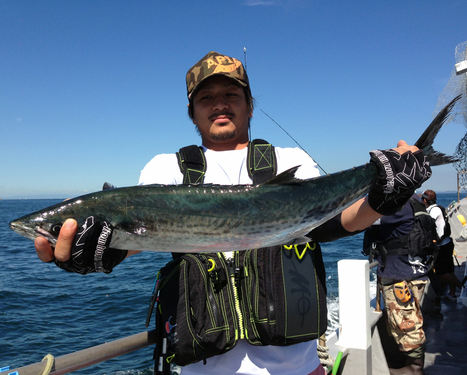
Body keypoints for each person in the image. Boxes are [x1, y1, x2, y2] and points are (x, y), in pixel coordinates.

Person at [34, 51, 431, 375]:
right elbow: (142, 240)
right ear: (192, 113)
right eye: (206, 98)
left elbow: (328, 225)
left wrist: (384, 198)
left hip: (296, 368)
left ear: (250, 105)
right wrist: (101, 253)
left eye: (231, 94)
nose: (220, 104)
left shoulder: (287, 160)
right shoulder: (164, 171)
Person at [363, 195, 437, 375]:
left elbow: (362, 220)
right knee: (408, 321)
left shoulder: (396, 205)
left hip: (399, 275)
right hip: (415, 272)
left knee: (406, 324)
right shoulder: (415, 200)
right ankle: (406, 362)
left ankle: (414, 368)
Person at [422, 189, 463, 302]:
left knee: (442, 273)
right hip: (446, 243)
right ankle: (452, 292)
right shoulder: (438, 208)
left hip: (442, 247)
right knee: (449, 271)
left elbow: (428, 225)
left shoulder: (433, 211)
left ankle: (463, 289)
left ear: (425, 200)